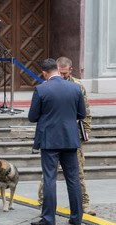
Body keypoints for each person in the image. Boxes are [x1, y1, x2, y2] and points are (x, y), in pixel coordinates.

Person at [29, 58, 86, 225]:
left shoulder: (41, 89)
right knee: (73, 179)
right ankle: (76, 217)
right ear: (58, 70)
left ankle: (48, 218)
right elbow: (81, 114)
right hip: (70, 138)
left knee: (49, 178)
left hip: (50, 140)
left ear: (45, 73)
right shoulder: (75, 88)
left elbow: (32, 117)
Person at [37, 56, 96, 216]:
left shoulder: (77, 86)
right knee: (48, 175)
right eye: (60, 72)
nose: (62, 76)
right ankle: (43, 204)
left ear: (70, 70)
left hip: (72, 136)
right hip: (54, 136)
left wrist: (87, 130)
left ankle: (84, 204)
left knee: (78, 173)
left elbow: (85, 112)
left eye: (65, 73)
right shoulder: (46, 85)